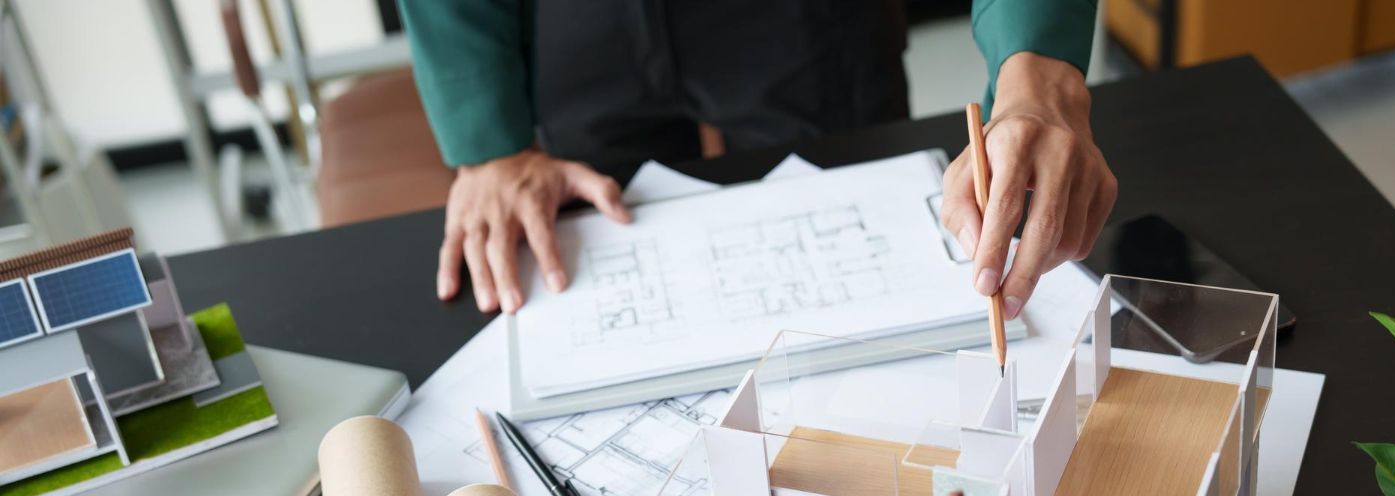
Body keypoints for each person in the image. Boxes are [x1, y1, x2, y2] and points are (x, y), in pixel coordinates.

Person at [398, 1, 1116, 319]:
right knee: (599, 273)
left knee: (870, 267)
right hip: (571, 23)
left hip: (805, 20)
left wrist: (1038, 67)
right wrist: (486, 135)